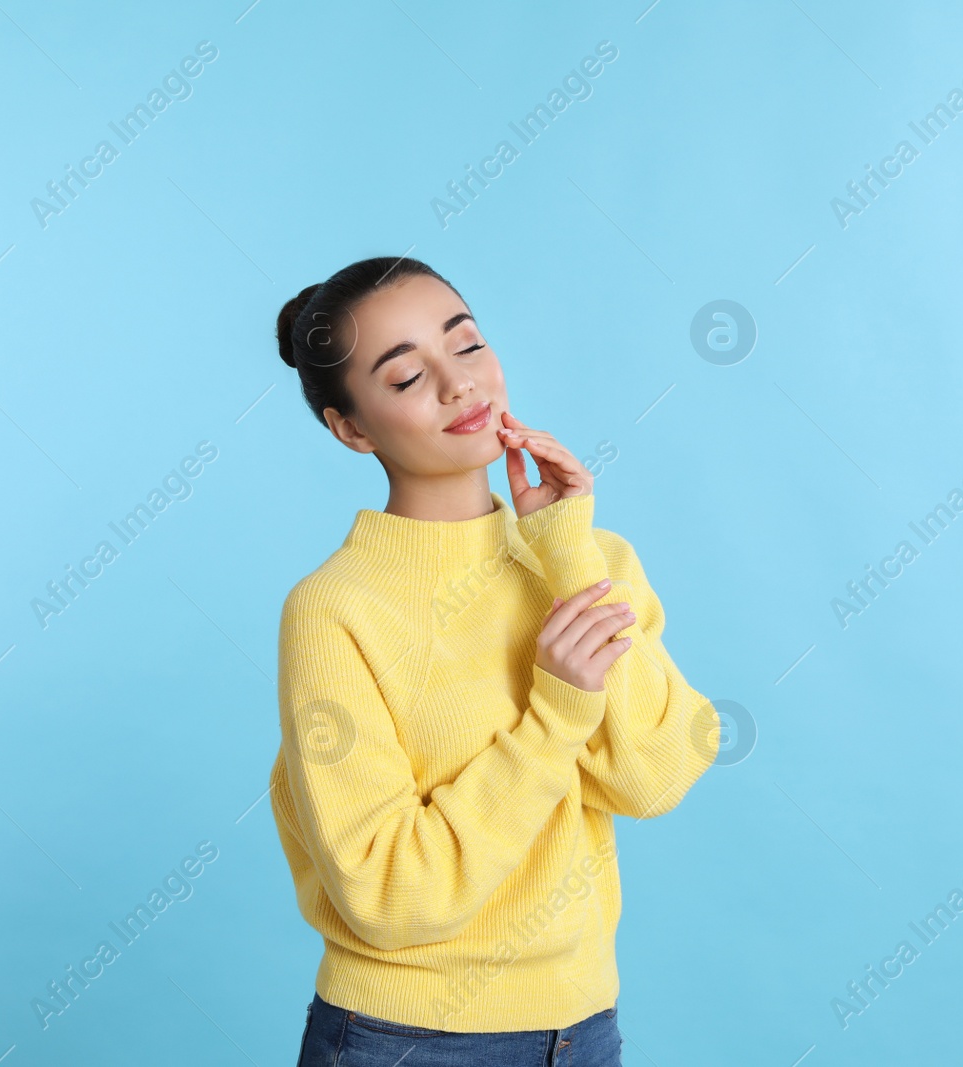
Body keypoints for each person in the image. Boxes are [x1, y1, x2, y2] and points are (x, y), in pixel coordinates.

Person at [267, 255, 719, 1067]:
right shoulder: (335, 608)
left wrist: (566, 552)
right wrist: (554, 714)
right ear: (353, 428)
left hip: (582, 1027)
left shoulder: (587, 554)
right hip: (399, 1039)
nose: (458, 386)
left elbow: (653, 775)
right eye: (406, 378)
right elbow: (387, 892)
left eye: (466, 344)